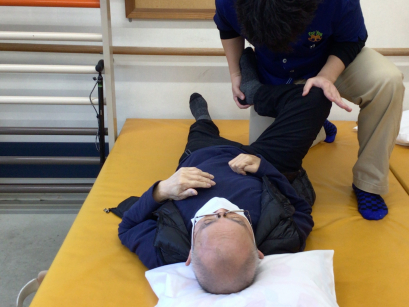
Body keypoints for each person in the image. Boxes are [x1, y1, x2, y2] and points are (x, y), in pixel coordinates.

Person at [214, 0, 405, 220]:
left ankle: (369, 183)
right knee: (264, 162)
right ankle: (317, 125)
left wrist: (326, 77)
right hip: (276, 71)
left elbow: (352, 39)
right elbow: (228, 29)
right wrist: (235, 73)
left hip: (331, 60)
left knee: (388, 81)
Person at [117, 75, 331, 295]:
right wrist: (264, 167)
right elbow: (302, 210)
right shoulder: (281, 239)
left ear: (190, 255)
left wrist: (161, 190)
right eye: (237, 219)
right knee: (317, 96)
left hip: (203, 153)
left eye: (207, 221)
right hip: (259, 159)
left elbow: (127, 228)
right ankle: (254, 92)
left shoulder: (168, 251)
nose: (221, 209)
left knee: (201, 131)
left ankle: (203, 119)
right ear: (258, 252)